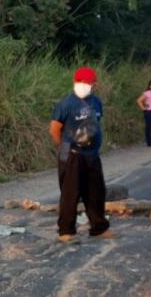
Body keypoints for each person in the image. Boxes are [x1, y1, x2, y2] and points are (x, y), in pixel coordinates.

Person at [49, 67, 114, 243]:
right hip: (70, 152)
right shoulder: (66, 104)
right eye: (81, 82)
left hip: (92, 153)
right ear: (75, 82)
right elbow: (54, 130)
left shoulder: (96, 102)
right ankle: (66, 231)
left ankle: (99, 228)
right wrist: (65, 148)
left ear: (94, 84)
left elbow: (95, 124)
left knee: (96, 191)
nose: (84, 85)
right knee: (70, 192)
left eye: (88, 82)